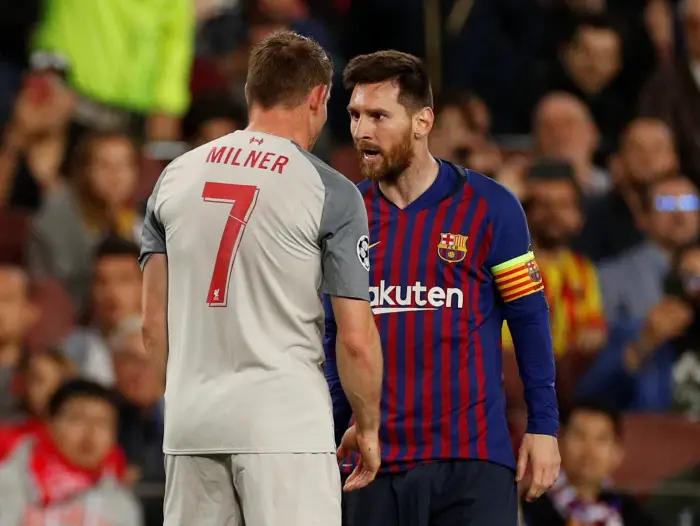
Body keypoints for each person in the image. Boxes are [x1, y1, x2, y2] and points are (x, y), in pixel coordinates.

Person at [139, 31, 383, 526]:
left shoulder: (175, 176)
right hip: (285, 431)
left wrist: (189, 402)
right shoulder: (328, 191)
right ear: (318, 97)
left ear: (251, 94)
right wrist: (369, 425)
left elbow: (151, 325)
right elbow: (355, 340)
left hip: (191, 430)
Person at [323, 50, 560, 526]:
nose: (361, 131)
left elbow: (530, 319)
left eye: (378, 116)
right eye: (354, 115)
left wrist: (544, 427)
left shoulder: (492, 207)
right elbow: (332, 337)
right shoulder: (344, 216)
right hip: (372, 463)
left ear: (422, 120)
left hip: (471, 462)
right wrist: (330, 431)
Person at [522, 400, 656, 526]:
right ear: (559, 443)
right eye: (579, 436)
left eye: (601, 439)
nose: (589, 451)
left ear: (617, 453)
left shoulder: (630, 513)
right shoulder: (531, 506)